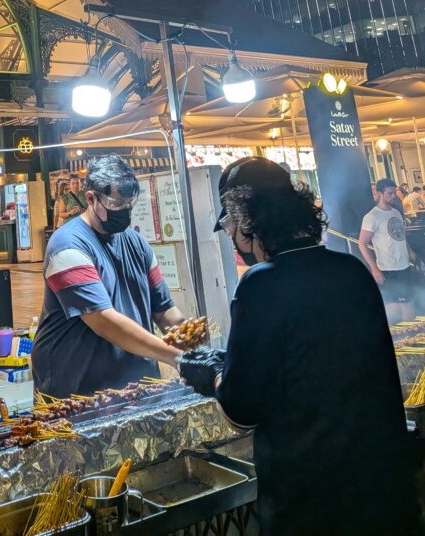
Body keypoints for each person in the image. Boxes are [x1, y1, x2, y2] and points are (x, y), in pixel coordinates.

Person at [175, 157, 421, 536]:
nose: (230, 237)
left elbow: (242, 411)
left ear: (245, 220)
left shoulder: (259, 285)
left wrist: (211, 375)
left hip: (314, 503)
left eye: (228, 227)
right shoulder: (351, 270)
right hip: (385, 490)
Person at [32, 154, 183, 398]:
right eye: (116, 204)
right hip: (78, 392)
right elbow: (104, 321)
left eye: (129, 204)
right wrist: (176, 356)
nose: (124, 211)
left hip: (137, 387)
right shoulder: (67, 247)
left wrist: (192, 342)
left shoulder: (137, 244)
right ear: (91, 198)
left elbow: (164, 310)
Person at [359, 177, 414, 322]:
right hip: (387, 268)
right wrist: (374, 269)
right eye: (390, 193)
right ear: (379, 194)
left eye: (394, 192)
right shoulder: (372, 216)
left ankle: (411, 333)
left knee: (408, 306)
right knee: (394, 309)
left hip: (404, 265)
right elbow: (362, 243)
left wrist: (410, 252)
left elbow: (401, 236)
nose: (394, 196)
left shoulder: (396, 212)